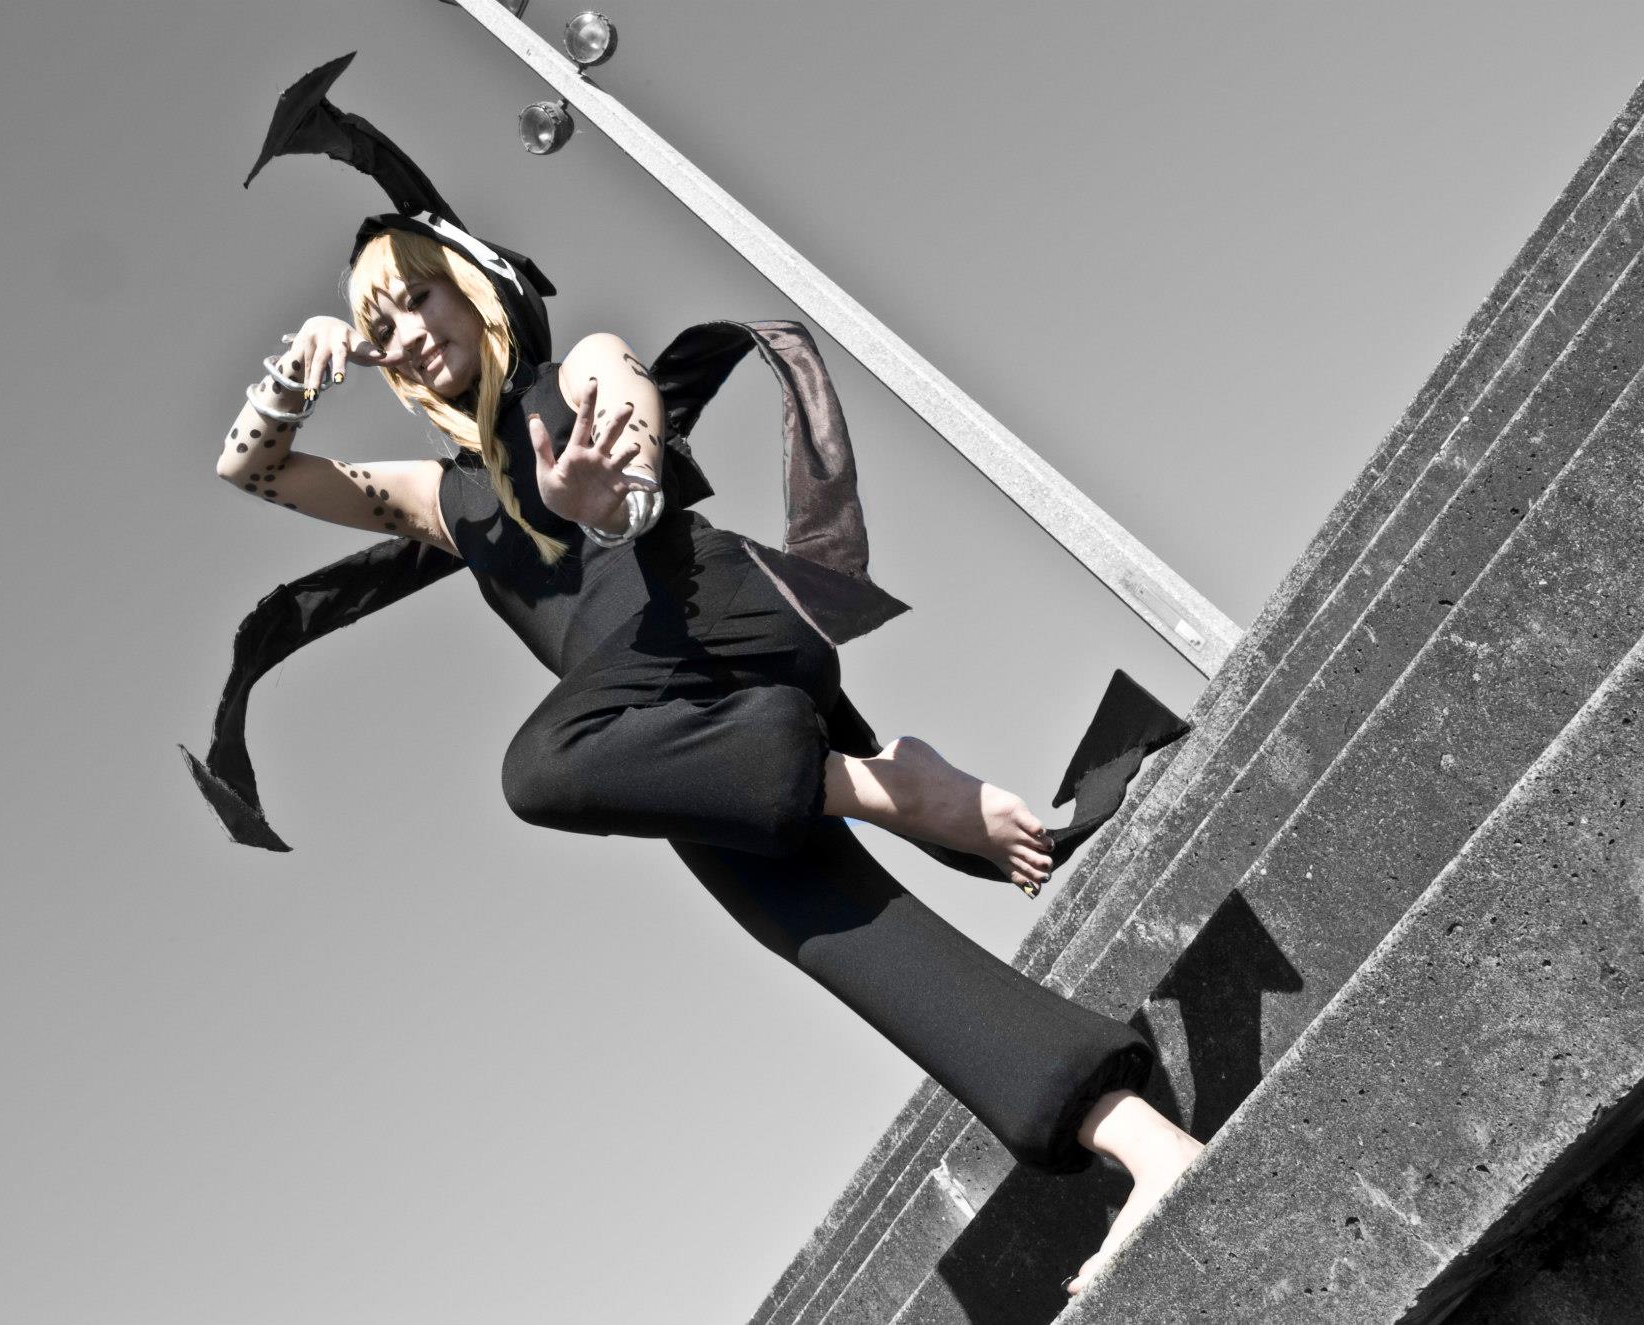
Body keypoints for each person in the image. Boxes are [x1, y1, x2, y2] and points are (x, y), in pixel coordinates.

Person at [192, 53, 1204, 1297]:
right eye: (382, 319)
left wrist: (599, 496)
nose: (405, 329)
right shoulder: (439, 500)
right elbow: (254, 470)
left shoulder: (579, 368)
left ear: (473, 286)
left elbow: (636, 453)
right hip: (683, 743)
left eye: (418, 295)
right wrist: (296, 373)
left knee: (535, 766)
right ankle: (1147, 1149)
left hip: (719, 626)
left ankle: (885, 787)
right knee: (844, 939)